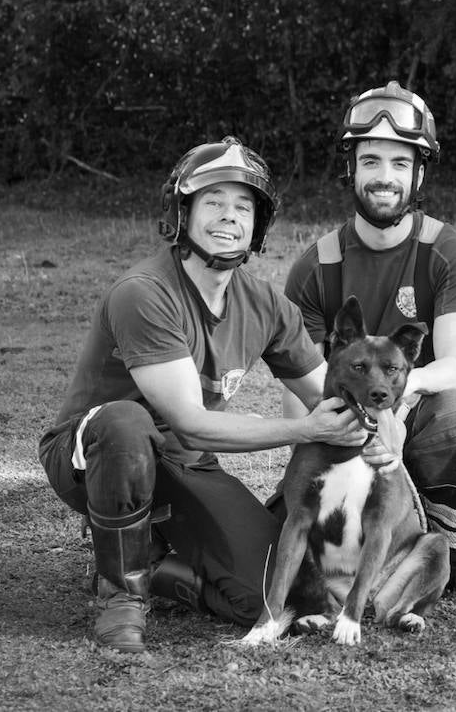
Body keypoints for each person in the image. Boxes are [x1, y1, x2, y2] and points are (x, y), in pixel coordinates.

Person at [38, 136, 383, 653]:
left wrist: (380, 430)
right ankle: (120, 598)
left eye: (243, 206)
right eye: (214, 202)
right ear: (182, 212)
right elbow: (189, 420)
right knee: (127, 423)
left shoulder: (265, 303)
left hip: (185, 463)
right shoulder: (144, 292)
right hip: (93, 454)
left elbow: (329, 394)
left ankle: (154, 564)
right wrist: (305, 430)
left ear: (258, 225)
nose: (230, 216)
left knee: (277, 595)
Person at [281, 81, 456, 597]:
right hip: (341, 423)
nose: (385, 177)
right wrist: (300, 468)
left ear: (419, 172)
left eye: (400, 164)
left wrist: (395, 410)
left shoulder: (447, 250)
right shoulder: (318, 265)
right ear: (351, 167)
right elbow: (301, 385)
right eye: (372, 161)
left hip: (413, 412)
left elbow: (452, 365)